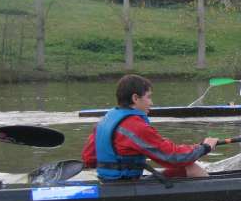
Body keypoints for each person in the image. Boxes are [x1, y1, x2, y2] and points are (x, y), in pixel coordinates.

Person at [82, 74, 218, 180]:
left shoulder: (106, 119)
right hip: (125, 186)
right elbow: (171, 157)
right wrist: (204, 147)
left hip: (106, 182)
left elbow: (89, 158)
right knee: (192, 168)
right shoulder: (135, 126)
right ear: (135, 98)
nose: (151, 103)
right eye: (148, 97)